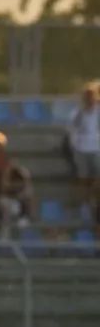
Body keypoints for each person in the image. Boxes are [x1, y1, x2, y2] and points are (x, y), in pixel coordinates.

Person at [68, 82, 100, 223]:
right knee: (83, 179)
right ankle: (85, 205)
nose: (89, 100)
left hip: (97, 149)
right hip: (81, 149)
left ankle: (94, 202)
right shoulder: (77, 113)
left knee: (97, 179)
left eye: (91, 96)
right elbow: (73, 128)